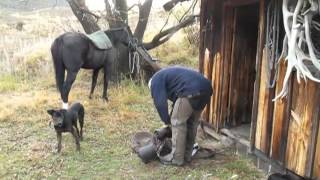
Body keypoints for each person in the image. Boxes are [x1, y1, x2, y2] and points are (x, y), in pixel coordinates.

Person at [148, 66, 213, 166]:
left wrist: (167, 122)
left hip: (190, 90)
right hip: (206, 89)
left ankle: (176, 158)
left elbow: (160, 103)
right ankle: (187, 155)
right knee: (191, 124)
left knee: (177, 123)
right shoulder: (168, 76)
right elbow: (178, 103)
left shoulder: (156, 80)